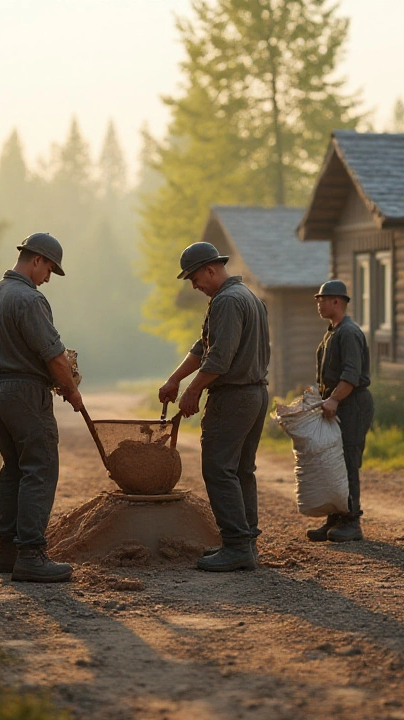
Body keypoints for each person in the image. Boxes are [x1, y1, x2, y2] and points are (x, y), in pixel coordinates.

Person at [0, 232, 83, 583]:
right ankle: (32, 554)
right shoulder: (30, 299)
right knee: (40, 467)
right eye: (49, 269)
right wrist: (70, 390)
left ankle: (7, 550)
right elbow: (54, 356)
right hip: (25, 394)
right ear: (36, 259)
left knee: (14, 469)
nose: (48, 277)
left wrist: (11, 371)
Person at [159, 242, 270, 572]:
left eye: (194, 279)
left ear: (210, 269)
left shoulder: (227, 301)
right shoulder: (248, 297)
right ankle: (245, 542)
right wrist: (174, 379)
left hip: (234, 397)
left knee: (219, 469)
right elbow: (202, 347)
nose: (195, 286)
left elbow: (218, 360)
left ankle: (236, 546)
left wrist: (192, 392)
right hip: (255, 394)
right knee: (240, 470)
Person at [309, 280, 374, 542]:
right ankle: (335, 519)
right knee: (332, 464)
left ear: (336, 301)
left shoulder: (349, 333)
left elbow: (351, 375)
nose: (318, 304)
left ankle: (351, 522)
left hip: (353, 405)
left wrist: (334, 400)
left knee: (347, 462)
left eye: (322, 300)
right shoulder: (331, 332)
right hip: (337, 405)